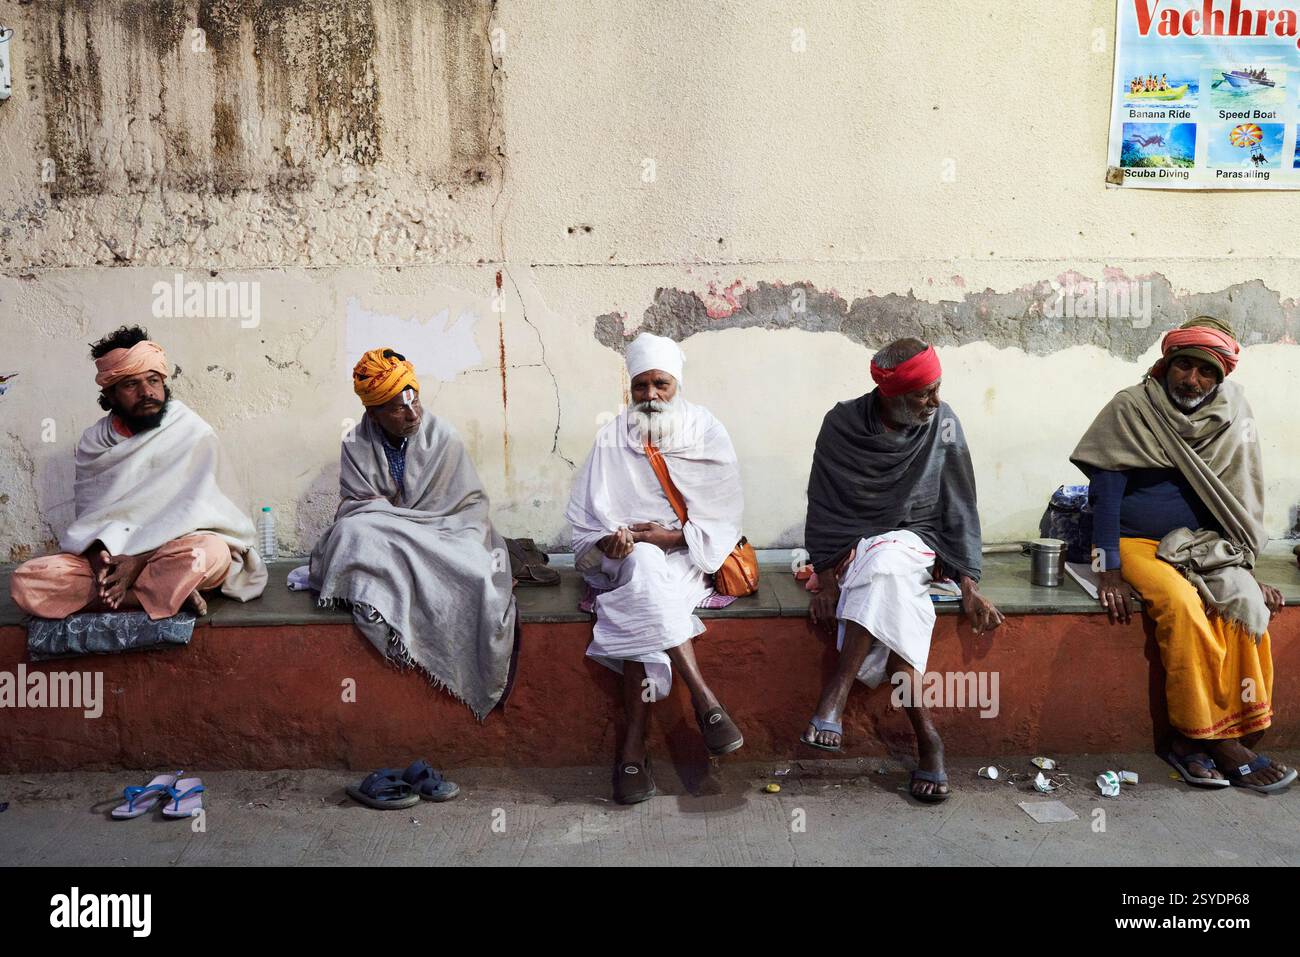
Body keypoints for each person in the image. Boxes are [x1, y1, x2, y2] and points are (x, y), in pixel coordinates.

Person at [1071, 316, 1294, 793]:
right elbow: (1106, 496)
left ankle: (1236, 729)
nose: (1192, 380)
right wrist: (1107, 570)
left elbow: (1237, 495)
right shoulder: (1132, 407)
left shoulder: (1232, 412)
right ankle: (1195, 738)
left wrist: (1246, 569)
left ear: (1221, 378)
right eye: (1184, 366)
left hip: (1204, 545)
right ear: (1165, 364)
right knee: (1182, 606)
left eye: (1206, 372)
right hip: (1135, 543)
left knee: (1245, 606)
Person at [799, 337, 1003, 803]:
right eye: (922, 394)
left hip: (920, 543)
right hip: (855, 548)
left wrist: (968, 584)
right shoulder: (842, 424)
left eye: (936, 389)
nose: (934, 402)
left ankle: (835, 692)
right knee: (885, 574)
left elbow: (959, 504)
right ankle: (928, 738)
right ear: (890, 394)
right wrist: (826, 579)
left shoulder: (944, 422)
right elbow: (825, 503)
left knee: (889, 560)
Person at [566, 332, 747, 804]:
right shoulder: (611, 436)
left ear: (677, 384)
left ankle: (632, 750)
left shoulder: (706, 431)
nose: (649, 396)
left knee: (644, 590)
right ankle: (704, 699)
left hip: (688, 555)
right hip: (622, 560)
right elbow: (584, 527)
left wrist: (664, 537)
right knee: (642, 569)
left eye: (660, 384)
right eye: (640, 386)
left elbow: (722, 519)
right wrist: (613, 539)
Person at [308, 348, 517, 720]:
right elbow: (358, 506)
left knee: (475, 572)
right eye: (397, 407)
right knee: (352, 533)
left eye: (414, 399)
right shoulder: (355, 444)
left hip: (447, 530)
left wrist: (397, 523)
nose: (412, 413)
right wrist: (393, 522)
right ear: (373, 413)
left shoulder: (444, 437)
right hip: (386, 533)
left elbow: (466, 506)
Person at [10, 326, 266, 620]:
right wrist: (102, 564)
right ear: (110, 393)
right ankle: (161, 595)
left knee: (210, 554)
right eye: (131, 385)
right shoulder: (95, 442)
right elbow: (91, 523)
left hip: (169, 554)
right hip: (114, 558)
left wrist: (138, 562)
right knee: (28, 580)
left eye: (153, 381)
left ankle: (128, 594)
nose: (147, 393)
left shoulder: (190, 430)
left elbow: (206, 516)